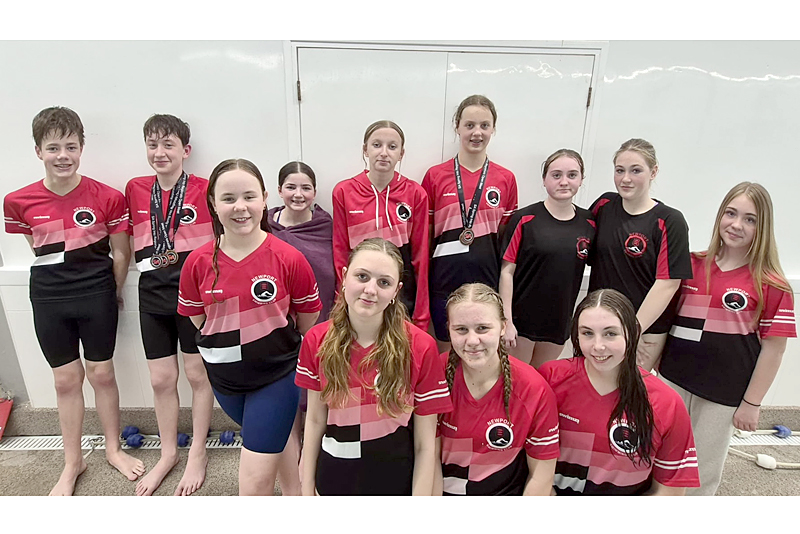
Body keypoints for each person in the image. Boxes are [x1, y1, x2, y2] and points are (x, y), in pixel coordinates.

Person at [3, 106, 145, 495]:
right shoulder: (17, 201)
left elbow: (121, 254)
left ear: (82, 147)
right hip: (49, 298)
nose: (62, 155)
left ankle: (113, 449)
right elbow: (40, 248)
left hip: (97, 294)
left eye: (70, 146)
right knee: (65, 380)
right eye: (53, 147)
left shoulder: (108, 197)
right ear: (38, 151)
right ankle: (72, 461)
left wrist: (112, 292)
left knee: (102, 374)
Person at [177, 158, 321, 496]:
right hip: (226, 383)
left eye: (249, 197)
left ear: (265, 199)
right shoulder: (197, 264)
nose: (240, 207)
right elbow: (201, 322)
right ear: (212, 203)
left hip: (276, 377)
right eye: (228, 198)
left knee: (254, 482)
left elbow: (306, 318)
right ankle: (295, 495)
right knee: (277, 435)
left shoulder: (289, 258)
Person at [659, 182, 796, 496]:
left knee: (701, 469)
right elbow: (666, 325)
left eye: (750, 219)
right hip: (673, 380)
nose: (736, 224)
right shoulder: (691, 265)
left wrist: (751, 403)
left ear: (763, 227)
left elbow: (774, 350)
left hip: (723, 394)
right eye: (731, 214)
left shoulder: (771, 284)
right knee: (662, 457)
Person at [296, 238, 452, 495]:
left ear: (395, 291)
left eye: (384, 283)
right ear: (344, 277)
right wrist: (306, 488)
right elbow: (314, 421)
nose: (371, 289)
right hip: (334, 478)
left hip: (395, 481)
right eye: (362, 276)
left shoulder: (421, 347)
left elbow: (425, 444)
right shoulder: (316, 341)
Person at [125, 114, 214, 496]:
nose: (159, 153)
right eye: (152, 145)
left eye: (168, 145)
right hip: (152, 295)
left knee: (197, 375)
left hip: (194, 294)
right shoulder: (134, 188)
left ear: (185, 150)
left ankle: (197, 450)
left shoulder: (205, 188)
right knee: (161, 379)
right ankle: (168, 453)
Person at [539, 289, 700, 495]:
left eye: (610, 334)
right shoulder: (551, 378)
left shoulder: (666, 402)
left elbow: (670, 492)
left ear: (631, 332)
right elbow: (526, 460)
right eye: (587, 333)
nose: (598, 346)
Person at [434, 283, 559, 496]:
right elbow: (428, 457)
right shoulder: (434, 375)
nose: (472, 341)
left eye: (483, 328)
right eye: (461, 329)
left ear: (503, 327)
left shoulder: (532, 388)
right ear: (449, 329)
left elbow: (541, 475)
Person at [422, 95, 518, 352]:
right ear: (458, 127)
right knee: (445, 357)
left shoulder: (506, 179)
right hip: (443, 282)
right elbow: (425, 236)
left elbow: (507, 242)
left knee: (481, 353)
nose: (477, 133)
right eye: (470, 125)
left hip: (487, 284)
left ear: (493, 129)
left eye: (484, 125)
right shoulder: (434, 176)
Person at [588, 138, 692, 371]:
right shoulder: (604, 205)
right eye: (620, 170)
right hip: (599, 323)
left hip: (643, 330)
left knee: (630, 396)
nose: (626, 179)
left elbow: (667, 284)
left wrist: (632, 331)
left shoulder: (669, 220)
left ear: (653, 172)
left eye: (636, 170)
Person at [499, 149, 595, 368]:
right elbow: (507, 272)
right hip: (521, 323)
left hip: (558, 323)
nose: (564, 181)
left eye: (572, 175)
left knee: (543, 380)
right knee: (517, 381)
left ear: (581, 179)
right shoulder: (524, 219)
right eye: (556, 175)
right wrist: (507, 321)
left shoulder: (589, 223)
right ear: (544, 180)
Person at [332, 120, 430, 331]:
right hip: (361, 291)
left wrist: (421, 315)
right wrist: (341, 301)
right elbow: (340, 252)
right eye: (377, 145)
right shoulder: (344, 191)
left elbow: (421, 255)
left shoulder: (415, 193)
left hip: (401, 292)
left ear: (401, 154)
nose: (384, 152)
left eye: (392, 147)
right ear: (365, 149)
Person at [268, 161, 335, 323]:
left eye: (306, 188)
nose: (298, 194)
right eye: (291, 187)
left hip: (320, 313)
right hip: (277, 315)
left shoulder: (325, 226)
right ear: (280, 191)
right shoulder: (265, 225)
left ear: (314, 192)